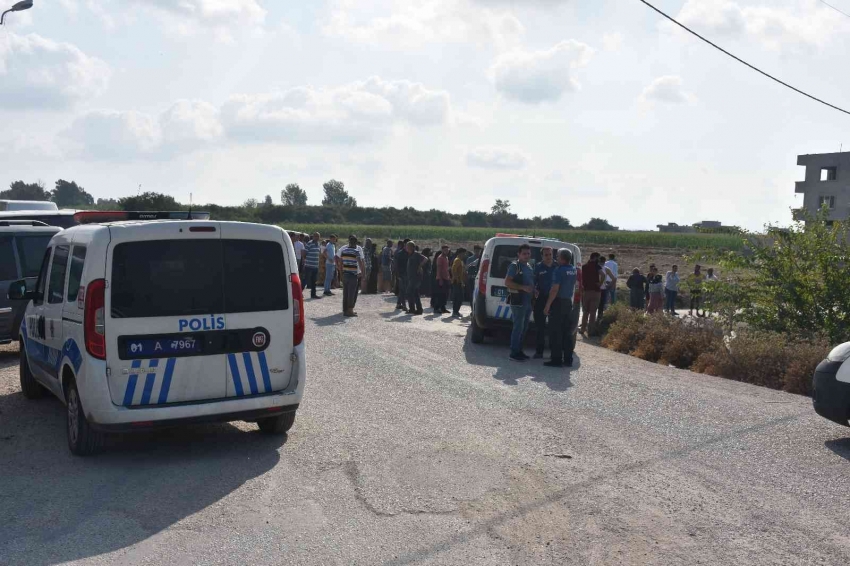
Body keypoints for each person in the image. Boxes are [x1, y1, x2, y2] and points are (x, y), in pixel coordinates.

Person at [543, 248, 578, 367]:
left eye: (557, 256)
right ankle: (568, 359)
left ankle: (556, 359)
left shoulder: (559, 270)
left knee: (555, 332)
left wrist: (547, 305)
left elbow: (554, 289)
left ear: (562, 258)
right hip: (568, 303)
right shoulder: (573, 269)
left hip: (558, 303)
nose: (556, 258)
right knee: (566, 332)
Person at [505, 244, 534, 362]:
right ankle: (514, 353)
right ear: (519, 254)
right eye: (524, 253)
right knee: (518, 327)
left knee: (524, 327)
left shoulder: (528, 266)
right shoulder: (514, 266)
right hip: (518, 301)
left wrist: (534, 290)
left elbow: (530, 282)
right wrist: (523, 287)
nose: (526, 255)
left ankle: (519, 350)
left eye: (528, 253)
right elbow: (507, 282)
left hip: (528, 302)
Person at [532, 247, 556, 359]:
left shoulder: (558, 266)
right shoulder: (538, 267)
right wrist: (535, 289)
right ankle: (539, 351)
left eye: (550, 254)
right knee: (540, 327)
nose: (548, 256)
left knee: (554, 327)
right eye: (546, 255)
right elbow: (533, 282)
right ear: (542, 256)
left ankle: (554, 352)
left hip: (555, 300)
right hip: (541, 298)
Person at [336, 235, 365, 317]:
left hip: (345, 274)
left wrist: (341, 274)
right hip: (353, 275)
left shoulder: (344, 251)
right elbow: (360, 263)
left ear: (349, 242)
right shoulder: (356, 251)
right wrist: (363, 274)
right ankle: (350, 311)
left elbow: (340, 263)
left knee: (345, 293)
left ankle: (345, 310)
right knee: (351, 294)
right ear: (355, 243)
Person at [580, 252, 605, 335]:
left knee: (585, 312)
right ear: (595, 258)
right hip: (596, 291)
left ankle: (582, 329)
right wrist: (600, 283)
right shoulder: (597, 266)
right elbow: (603, 274)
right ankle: (591, 331)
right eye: (598, 258)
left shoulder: (584, 267)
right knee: (593, 312)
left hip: (586, 291)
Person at [406, 242, 427, 315]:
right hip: (412, 277)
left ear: (412, 247)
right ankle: (418, 309)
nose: (406, 248)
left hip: (415, 277)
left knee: (409, 292)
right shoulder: (410, 255)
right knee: (415, 293)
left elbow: (425, 259)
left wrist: (419, 266)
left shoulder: (416, 254)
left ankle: (413, 309)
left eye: (408, 247)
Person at [302, 232, 321, 299]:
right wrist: (305, 260)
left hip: (315, 266)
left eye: (318, 236)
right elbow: (304, 253)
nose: (317, 238)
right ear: (313, 237)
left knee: (314, 281)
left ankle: (313, 294)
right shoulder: (309, 243)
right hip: (309, 265)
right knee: (305, 280)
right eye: (315, 236)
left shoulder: (318, 244)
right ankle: (299, 292)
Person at [434, 245, 451, 314]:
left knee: (445, 294)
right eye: (445, 250)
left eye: (447, 250)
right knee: (440, 294)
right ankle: (436, 308)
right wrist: (440, 279)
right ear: (442, 250)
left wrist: (449, 277)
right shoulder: (440, 258)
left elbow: (446, 269)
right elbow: (439, 269)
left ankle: (443, 308)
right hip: (441, 278)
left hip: (446, 278)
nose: (446, 251)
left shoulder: (446, 258)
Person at [451, 248, 467, 317]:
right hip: (457, 282)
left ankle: (456, 311)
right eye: (464, 253)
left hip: (460, 281)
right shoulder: (457, 260)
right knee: (458, 297)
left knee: (460, 297)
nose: (465, 255)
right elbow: (453, 269)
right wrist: (457, 278)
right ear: (460, 253)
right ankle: (455, 311)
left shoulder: (461, 260)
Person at [394, 241, 410, 310]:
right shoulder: (400, 253)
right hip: (402, 274)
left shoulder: (409, 253)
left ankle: (398, 304)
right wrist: (398, 275)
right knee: (403, 290)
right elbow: (397, 265)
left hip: (408, 274)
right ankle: (404, 305)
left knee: (402, 290)